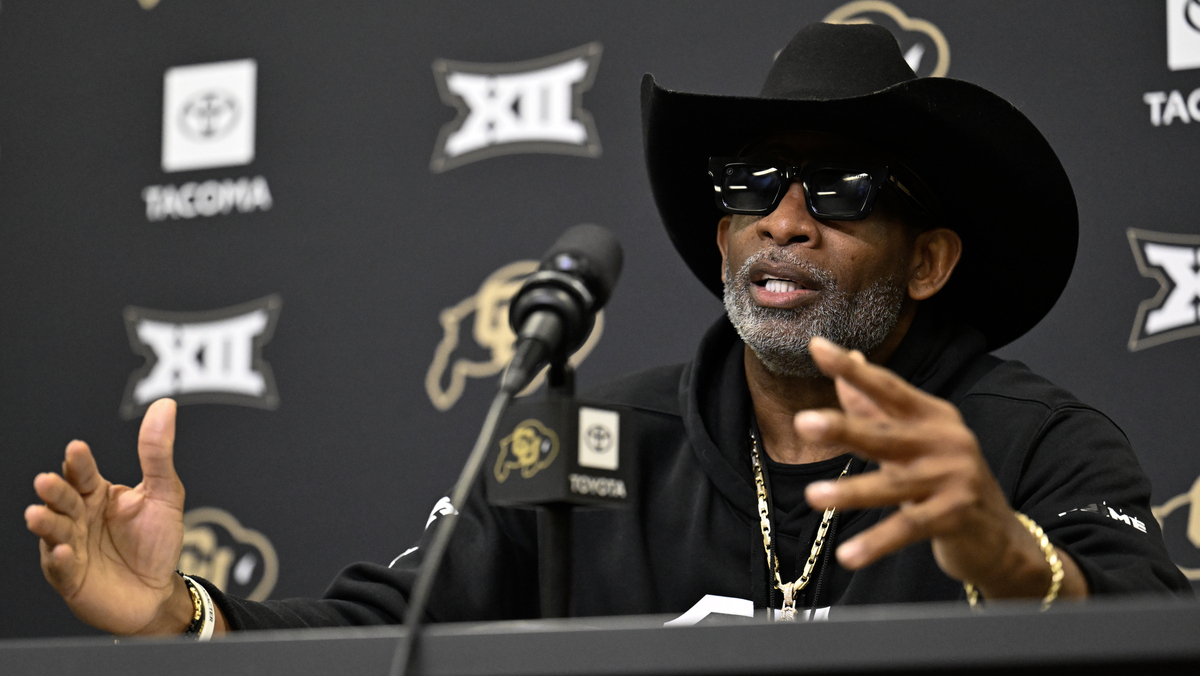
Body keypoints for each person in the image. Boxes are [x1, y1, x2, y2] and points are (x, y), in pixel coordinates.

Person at [25, 23, 1189, 638]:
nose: (785, 219)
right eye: (752, 181)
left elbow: (1153, 630)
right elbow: (395, 621)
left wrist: (1012, 561)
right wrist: (184, 615)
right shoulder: (596, 446)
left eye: (839, 192)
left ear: (929, 258)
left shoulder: (1035, 443)